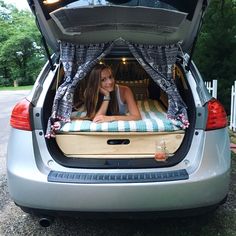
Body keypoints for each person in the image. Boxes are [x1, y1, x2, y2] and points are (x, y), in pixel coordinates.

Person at [73, 64, 141, 123]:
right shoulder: (89, 92)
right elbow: (96, 119)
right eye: (103, 80)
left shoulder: (125, 91)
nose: (110, 82)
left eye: (110, 77)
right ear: (96, 83)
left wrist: (111, 118)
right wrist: (107, 96)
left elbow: (137, 116)